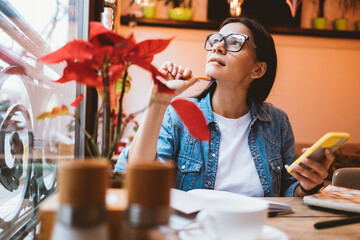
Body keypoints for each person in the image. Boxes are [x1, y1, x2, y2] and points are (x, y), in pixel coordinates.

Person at [115, 17, 334, 197]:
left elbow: (289, 190)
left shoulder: (276, 121)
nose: (218, 47)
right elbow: (137, 176)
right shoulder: (180, 114)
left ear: (257, 70)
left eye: (235, 42)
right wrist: (160, 100)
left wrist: (308, 185)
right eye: (217, 40)